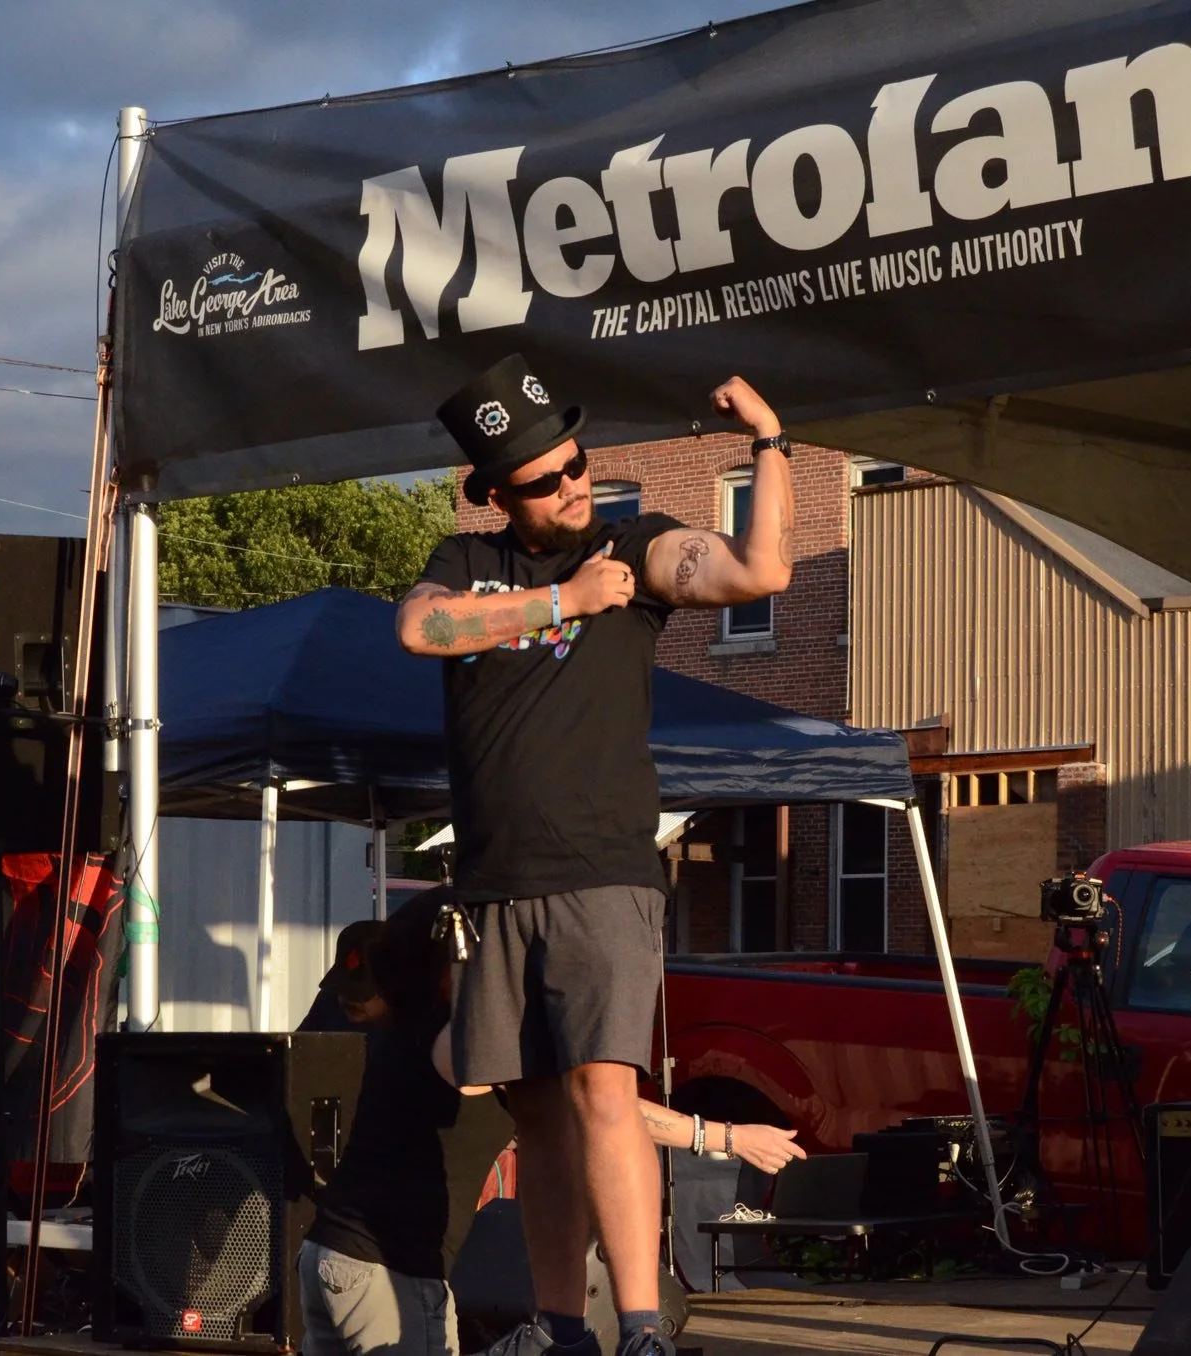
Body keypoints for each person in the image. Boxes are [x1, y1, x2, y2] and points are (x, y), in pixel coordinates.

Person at [397, 355, 794, 1356]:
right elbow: (419, 630)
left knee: (603, 1093)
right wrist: (562, 603)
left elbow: (762, 574)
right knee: (536, 1121)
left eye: (575, 463)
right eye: (543, 478)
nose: (572, 484)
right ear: (494, 496)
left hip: (602, 875)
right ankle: (561, 1325)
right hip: (494, 885)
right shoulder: (467, 563)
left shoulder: (634, 546)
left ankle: (643, 1328)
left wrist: (770, 445)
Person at [298, 888, 802, 1356]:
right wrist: (727, 1137)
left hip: (329, 1252)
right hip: (389, 1271)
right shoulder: (464, 1043)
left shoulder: (407, 1030)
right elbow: (599, 1109)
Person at [298, 920, 388, 1033]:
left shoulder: (412, 1033)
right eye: (342, 988)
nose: (350, 1000)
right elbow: (294, 1048)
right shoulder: (330, 1002)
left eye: (360, 993)